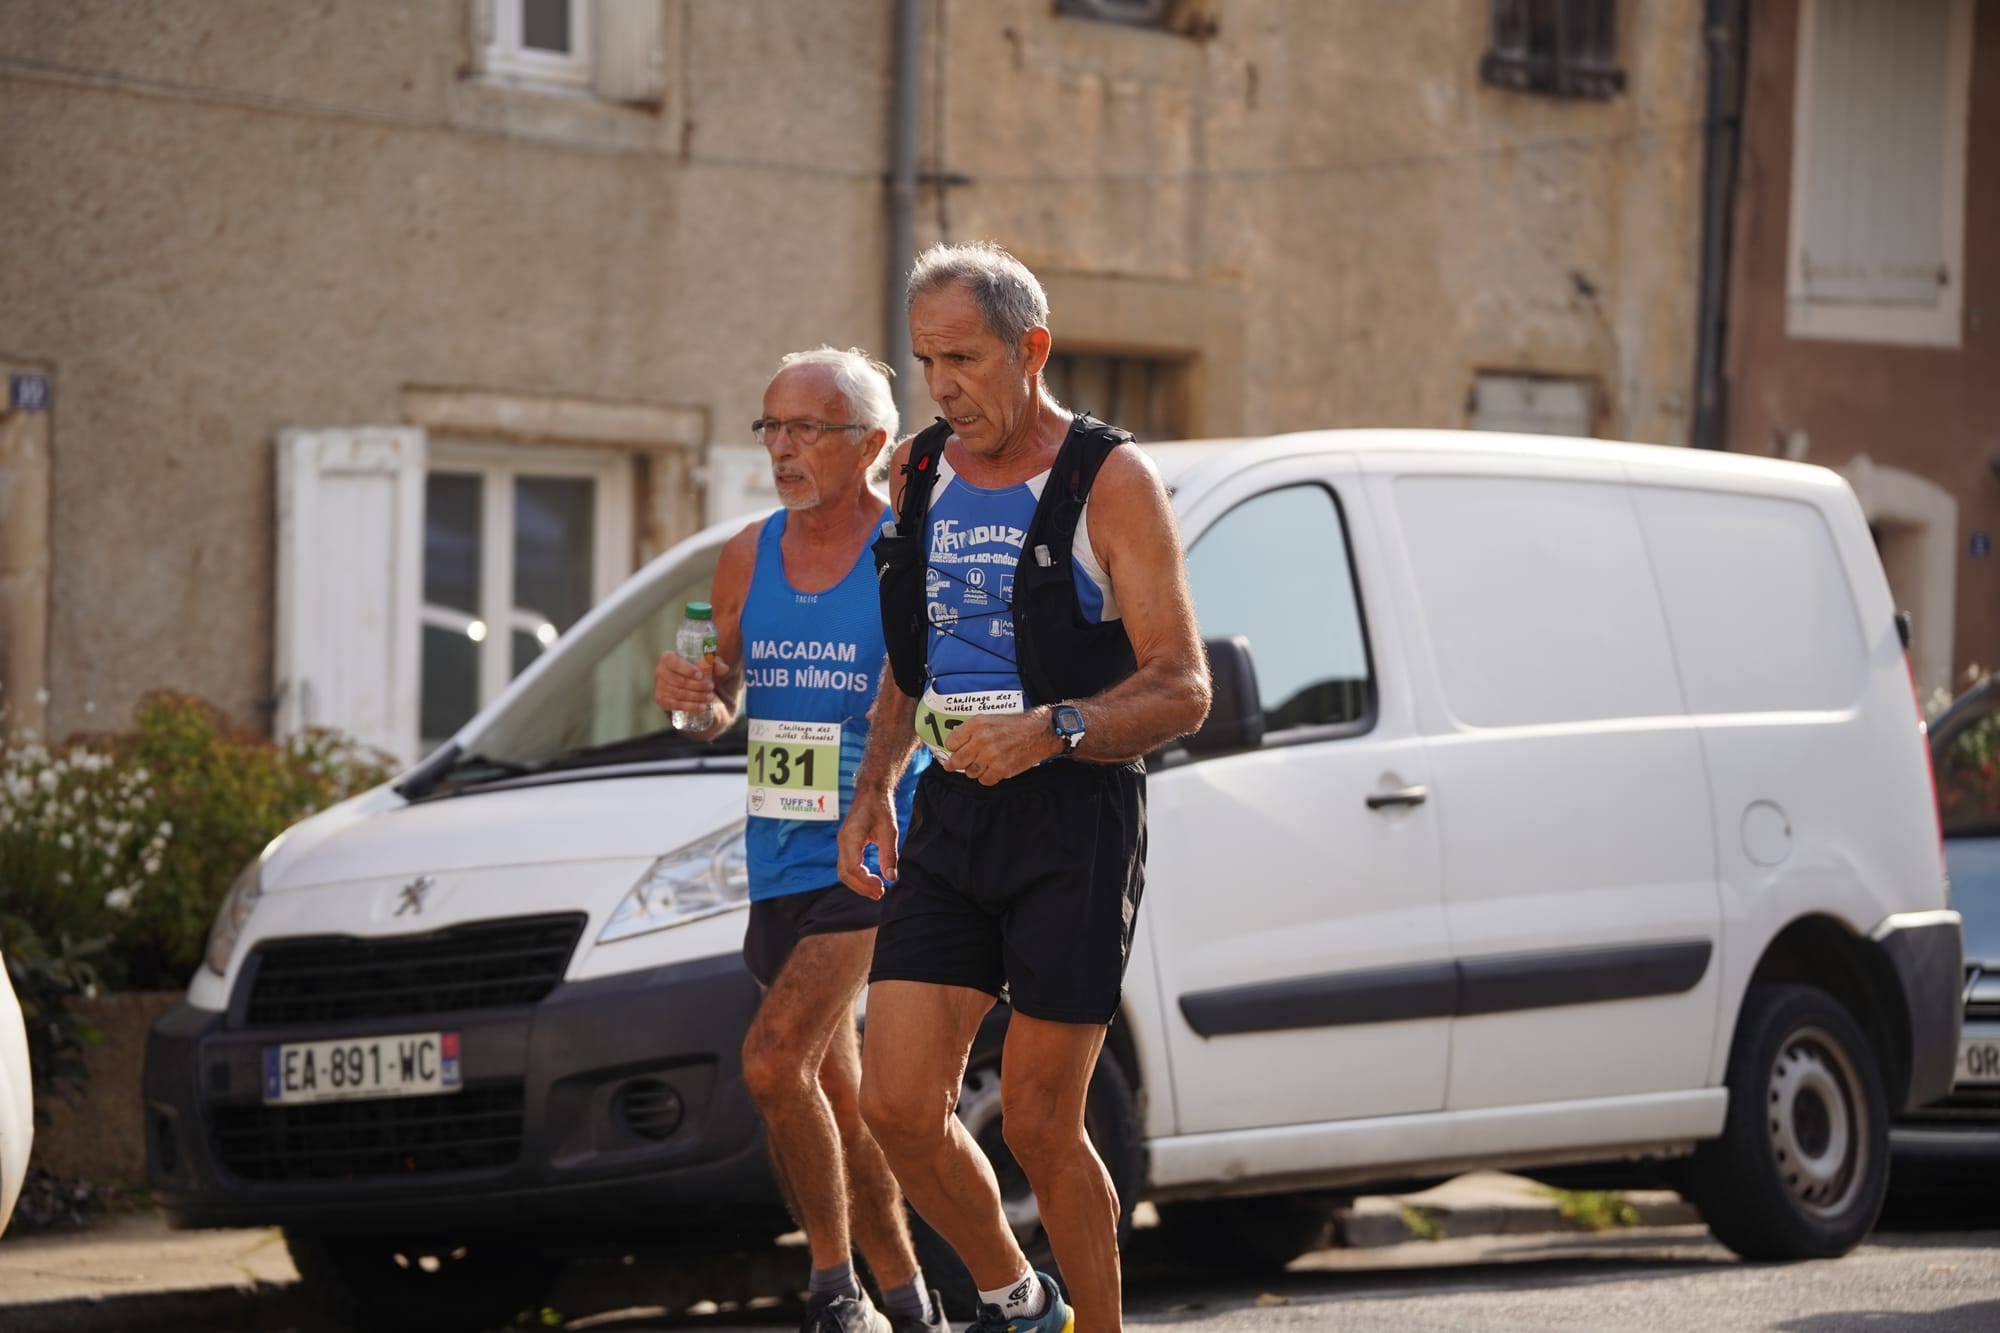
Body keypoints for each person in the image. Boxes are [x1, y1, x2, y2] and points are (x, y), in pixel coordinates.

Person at [837, 242, 1212, 1333]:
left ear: (1029, 350)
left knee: (1044, 1122)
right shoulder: (916, 471)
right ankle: (1017, 1299)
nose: (941, 385)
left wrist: (1053, 728)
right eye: (924, 361)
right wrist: (875, 783)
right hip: (950, 812)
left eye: (962, 358)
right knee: (897, 1105)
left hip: (1074, 816)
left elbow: (1181, 688)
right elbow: (913, 651)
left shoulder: (1112, 481)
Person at [654, 347, 941, 1333]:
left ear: (869, 444)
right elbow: (720, 698)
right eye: (770, 426)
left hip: (873, 848)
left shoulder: (908, 548)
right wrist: (694, 699)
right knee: (828, 1085)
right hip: (777, 848)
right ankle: (909, 1300)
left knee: (774, 1059)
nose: (781, 447)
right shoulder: (745, 552)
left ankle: (833, 1294)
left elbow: (943, 687)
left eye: (805, 428)